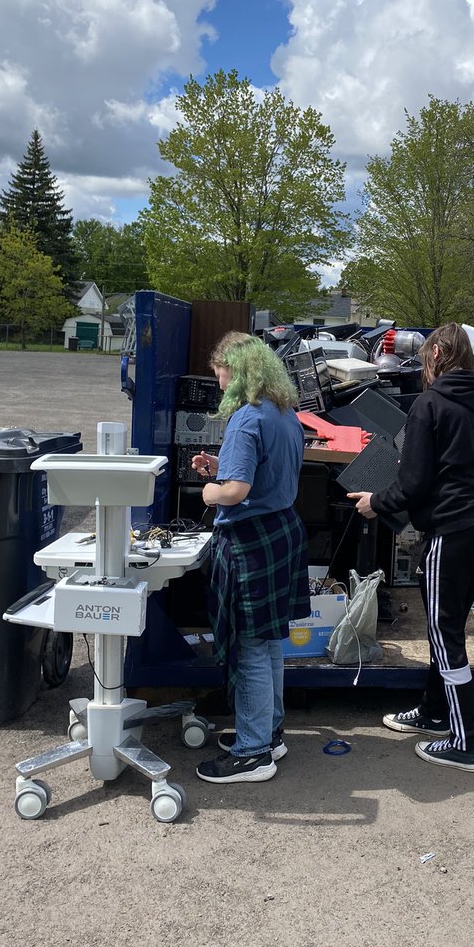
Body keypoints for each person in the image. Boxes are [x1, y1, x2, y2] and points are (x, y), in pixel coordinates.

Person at [348, 322, 474, 772]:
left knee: (444, 633)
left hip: (452, 529)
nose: (420, 368)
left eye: (422, 360)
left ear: (435, 355)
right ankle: (435, 714)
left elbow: (414, 483)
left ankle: (465, 742)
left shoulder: (429, 404)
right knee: (448, 624)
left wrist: (376, 502)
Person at [191, 331, 310, 784]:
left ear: (238, 370)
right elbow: (263, 476)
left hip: (250, 540)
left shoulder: (245, 419)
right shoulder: (284, 413)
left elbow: (237, 493)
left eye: (219, 372)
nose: (218, 382)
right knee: (270, 642)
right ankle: (269, 733)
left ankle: (254, 751)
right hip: (282, 530)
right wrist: (222, 469)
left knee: (252, 647)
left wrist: (210, 488)